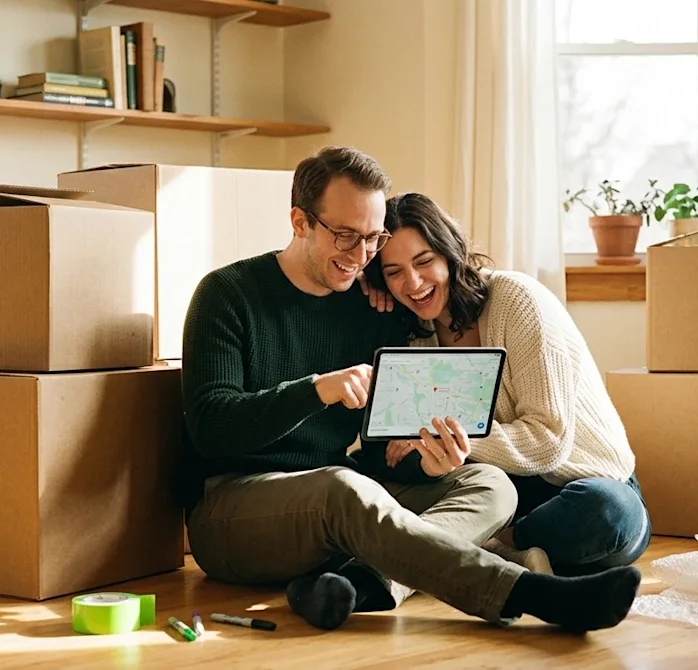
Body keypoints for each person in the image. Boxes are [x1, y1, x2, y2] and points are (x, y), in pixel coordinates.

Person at [179, 146, 642, 633]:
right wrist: (315, 390)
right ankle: (533, 594)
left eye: (371, 240)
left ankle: (360, 582)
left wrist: (426, 458)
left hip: (339, 499)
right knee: (342, 486)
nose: (360, 257)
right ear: (300, 221)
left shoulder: (372, 310)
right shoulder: (226, 294)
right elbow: (211, 428)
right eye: (345, 236)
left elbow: (383, 445)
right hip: (233, 510)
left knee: (489, 484)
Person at [361, 191, 651, 578]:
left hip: (586, 486)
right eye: (394, 272)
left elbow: (548, 440)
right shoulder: (411, 331)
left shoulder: (517, 299)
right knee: (368, 487)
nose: (412, 282)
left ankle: (495, 548)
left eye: (424, 261)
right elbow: (397, 445)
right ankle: (505, 552)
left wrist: (455, 441)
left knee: (607, 512)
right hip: (501, 491)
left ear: (450, 253)